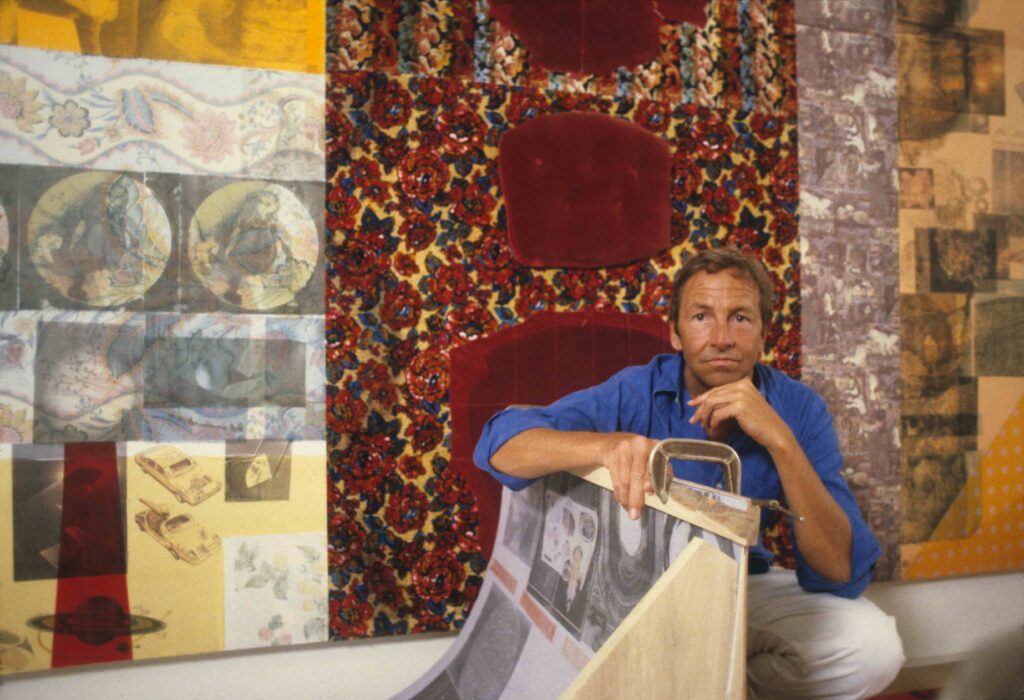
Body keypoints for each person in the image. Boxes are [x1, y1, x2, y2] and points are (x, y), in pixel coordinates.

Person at [473, 247, 904, 699]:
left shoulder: (799, 407)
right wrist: (606, 445)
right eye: (701, 317)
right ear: (675, 334)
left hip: (742, 587)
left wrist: (780, 440)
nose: (721, 337)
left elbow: (838, 572)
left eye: (740, 318)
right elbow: (500, 444)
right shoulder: (636, 391)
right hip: (639, 600)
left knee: (872, 647)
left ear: (763, 335)